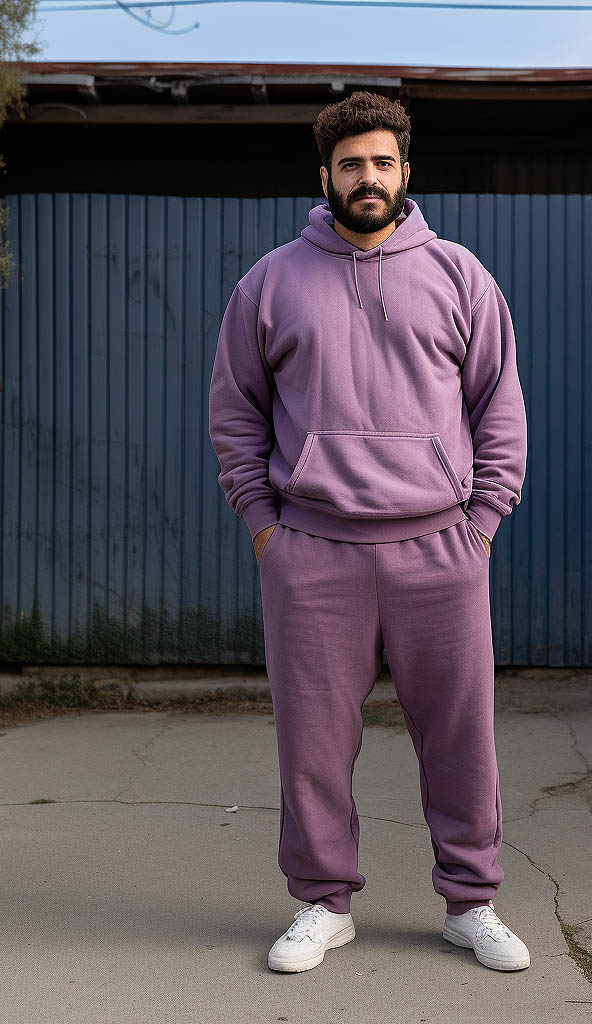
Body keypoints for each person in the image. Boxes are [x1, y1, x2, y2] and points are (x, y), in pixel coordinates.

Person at [208, 91, 529, 974]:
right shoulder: (271, 282)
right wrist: (266, 529)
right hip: (311, 551)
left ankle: (472, 901)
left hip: (441, 549)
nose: (368, 177)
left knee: (463, 734)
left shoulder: (461, 276)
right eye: (351, 164)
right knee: (312, 737)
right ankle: (322, 903)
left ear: (405, 173)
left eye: (382, 162)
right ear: (326, 177)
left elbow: (499, 407)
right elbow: (235, 413)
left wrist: (484, 522)